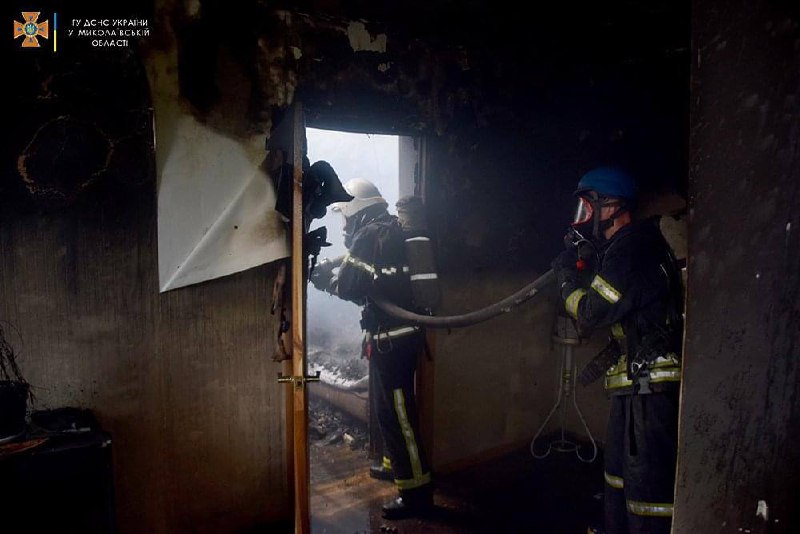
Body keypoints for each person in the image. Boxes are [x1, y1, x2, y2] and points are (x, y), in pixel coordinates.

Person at [551, 166, 684, 534]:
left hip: (651, 383)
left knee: (646, 484)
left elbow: (593, 311)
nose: (582, 218)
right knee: (618, 473)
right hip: (637, 378)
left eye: (586, 208)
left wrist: (566, 282)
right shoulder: (624, 249)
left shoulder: (633, 245)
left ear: (610, 207)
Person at [310, 178, 434, 520]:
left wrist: (323, 281)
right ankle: (391, 465)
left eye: (345, 216)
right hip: (394, 337)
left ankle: (417, 494)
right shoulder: (387, 231)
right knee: (386, 409)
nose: (345, 224)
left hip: (394, 342)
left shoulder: (369, 236)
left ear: (356, 210)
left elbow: (350, 286)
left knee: (398, 414)